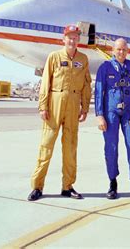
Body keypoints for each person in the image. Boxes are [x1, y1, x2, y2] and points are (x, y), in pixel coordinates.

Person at [28, 24, 92, 201]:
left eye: (75, 37)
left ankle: (68, 186)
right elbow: (46, 82)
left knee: (70, 147)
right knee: (46, 146)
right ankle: (37, 186)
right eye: (69, 37)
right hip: (55, 102)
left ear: (79, 39)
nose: (72, 39)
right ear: (64, 39)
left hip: (73, 104)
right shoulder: (54, 57)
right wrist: (43, 106)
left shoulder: (83, 59)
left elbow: (87, 85)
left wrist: (85, 107)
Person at [95, 38, 130, 202]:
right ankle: (112, 182)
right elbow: (99, 92)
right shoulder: (104, 68)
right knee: (111, 148)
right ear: (113, 50)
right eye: (118, 49)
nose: (121, 52)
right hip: (111, 113)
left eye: (124, 50)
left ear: (128, 51)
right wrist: (99, 115)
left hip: (129, 113)